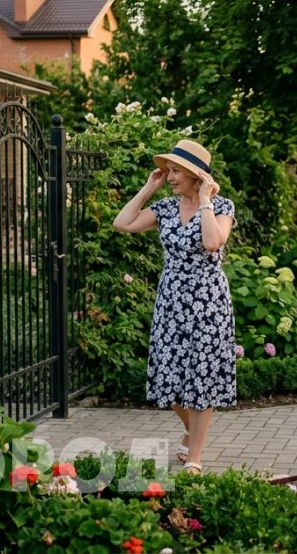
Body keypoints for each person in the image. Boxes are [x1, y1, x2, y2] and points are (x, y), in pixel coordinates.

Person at [113, 139, 237, 475]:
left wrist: (206, 202)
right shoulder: (166, 208)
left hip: (208, 304)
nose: (169, 177)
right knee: (167, 380)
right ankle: (192, 431)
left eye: (175, 171)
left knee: (202, 376)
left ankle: (194, 455)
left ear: (197, 175)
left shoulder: (222, 207)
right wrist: (148, 187)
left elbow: (213, 242)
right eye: (168, 171)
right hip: (172, 301)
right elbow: (122, 223)